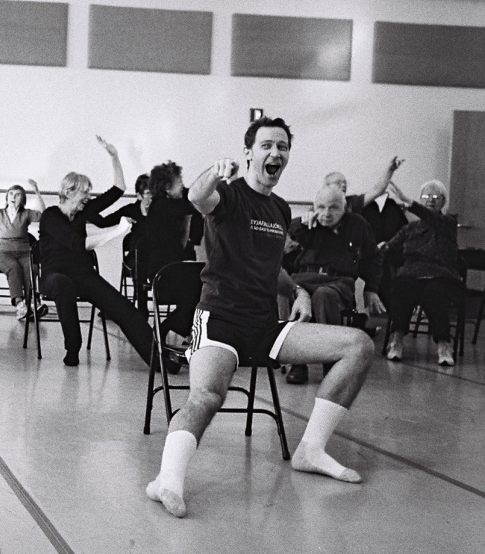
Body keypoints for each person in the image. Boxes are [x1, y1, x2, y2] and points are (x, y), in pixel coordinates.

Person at [146, 117, 374, 519]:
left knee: (358, 346)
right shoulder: (230, 196)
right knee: (207, 396)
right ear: (249, 152)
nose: (276, 153)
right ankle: (166, 479)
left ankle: (311, 450)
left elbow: (270, 268)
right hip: (219, 319)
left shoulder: (280, 208)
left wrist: (296, 290)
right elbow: (198, 198)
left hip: (265, 325)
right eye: (267, 145)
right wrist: (215, 174)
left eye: (283, 146)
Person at [38, 135, 154, 367]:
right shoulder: (50, 216)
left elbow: (118, 189)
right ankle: (73, 348)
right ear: (69, 192)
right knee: (64, 284)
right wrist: (117, 231)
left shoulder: (82, 212)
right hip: (54, 276)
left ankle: (157, 358)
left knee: (125, 310)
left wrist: (114, 156)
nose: (88, 198)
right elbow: (76, 243)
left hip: (83, 274)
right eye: (84, 193)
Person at [284, 185, 385, 384]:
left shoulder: (357, 224)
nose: (326, 213)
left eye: (333, 208)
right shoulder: (307, 224)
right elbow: (287, 233)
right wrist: (302, 223)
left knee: (324, 295)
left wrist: (371, 289)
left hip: (339, 281)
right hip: (304, 277)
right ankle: (296, 362)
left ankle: (330, 363)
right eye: (320, 207)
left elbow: (373, 258)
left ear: (344, 207)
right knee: (288, 293)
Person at [382, 180, 461, 366]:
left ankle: (443, 345)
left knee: (434, 292)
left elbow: (432, 217)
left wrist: (408, 202)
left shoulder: (448, 222)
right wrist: (378, 248)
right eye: (426, 197)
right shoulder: (410, 228)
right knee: (401, 287)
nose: (431, 201)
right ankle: (397, 340)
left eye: (436, 197)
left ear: (443, 201)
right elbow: (389, 247)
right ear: (420, 199)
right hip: (411, 274)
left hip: (441, 275)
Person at [0, 179, 48, 320]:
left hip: (24, 252)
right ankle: (20, 305)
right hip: (3, 254)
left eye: (17, 195)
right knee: (13, 267)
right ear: (6, 197)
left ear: (22, 199)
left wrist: (37, 192)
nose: (13, 197)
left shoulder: (26, 214)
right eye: (11, 193)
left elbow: (46, 216)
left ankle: (32, 304)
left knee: (30, 267)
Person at [144, 161, 201, 346]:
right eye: (179, 181)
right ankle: (167, 328)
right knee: (206, 289)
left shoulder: (167, 205)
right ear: (167, 188)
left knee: (206, 288)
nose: (183, 186)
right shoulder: (161, 206)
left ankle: (179, 333)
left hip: (174, 269)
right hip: (164, 273)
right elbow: (192, 204)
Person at [94, 173, 150, 310]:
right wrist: (86, 210)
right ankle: (142, 312)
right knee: (139, 266)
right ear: (139, 195)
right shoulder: (130, 210)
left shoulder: (160, 211)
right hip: (135, 257)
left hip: (154, 256)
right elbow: (102, 222)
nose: (151, 197)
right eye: (148, 193)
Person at [324, 155, 404, 214]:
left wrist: (390, 170)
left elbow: (377, 190)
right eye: (338, 183)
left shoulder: (352, 202)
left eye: (345, 183)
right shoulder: (319, 206)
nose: (343, 185)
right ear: (327, 187)